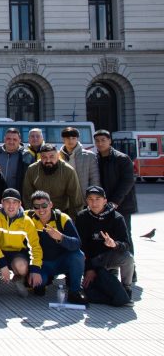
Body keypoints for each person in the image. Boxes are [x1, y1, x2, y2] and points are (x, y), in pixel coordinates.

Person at [76, 185, 135, 307]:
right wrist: (89, 269)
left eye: (97, 199)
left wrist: (114, 244)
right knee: (90, 290)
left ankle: (126, 288)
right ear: (86, 201)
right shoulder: (82, 217)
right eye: (90, 199)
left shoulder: (117, 217)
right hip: (92, 259)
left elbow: (126, 244)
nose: (94, 203)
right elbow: (81, 246)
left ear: (105, 201)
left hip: (110, 256)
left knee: (128, 258)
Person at [26, 190, 88, 304]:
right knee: (37, 287)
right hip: (42, 264)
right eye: (36, 206)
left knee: (78, 256)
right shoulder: (27, 217)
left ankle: (75, 291)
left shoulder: (62, 218)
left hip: (61, 262)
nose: (41, 209)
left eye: (44, 205)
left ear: (51, 204)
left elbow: (77, 243)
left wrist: (61, 237)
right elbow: (12, 211)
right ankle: (46, 280)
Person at [0, 188, 43, 298]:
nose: (11, 206)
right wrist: (3, 265)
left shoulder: (27, 221)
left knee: (22, 267)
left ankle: (18, 280)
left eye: (15, 202)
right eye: (7, 202)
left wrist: (35, 269)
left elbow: (35, 246)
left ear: (20, 204)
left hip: (16, 253)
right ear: (2, 203)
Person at [93, 130, 138, 262]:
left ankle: (130, 267)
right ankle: (110, 267)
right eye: (97, 141)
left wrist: (114, 202)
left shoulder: (122, 158)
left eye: (103, 140)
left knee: (124, 236)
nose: (100, 143)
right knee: (105, 236)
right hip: (102, 206)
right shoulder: (95, 159)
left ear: (110, 141)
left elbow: (128, 181)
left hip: (122, 204)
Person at [22, 144, 83, 219]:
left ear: (58, 156)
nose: (48, 160)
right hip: (39, 212)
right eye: (44, 157)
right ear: (40, 157)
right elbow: (27, 196)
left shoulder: (68, 171)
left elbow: (76, 199)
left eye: (52, 156)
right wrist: (32, 216)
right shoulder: (32, 170)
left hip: (62, 213)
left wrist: (72, 220)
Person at [60, 127, 100, 201]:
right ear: (63, 139)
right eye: (68, 138)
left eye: (73, 138)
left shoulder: (89, 155)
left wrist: (92, 197)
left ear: (77, 139)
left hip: (84, 197)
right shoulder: (57, 156)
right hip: (63, 198)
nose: (70, 140)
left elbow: (95, 179)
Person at [0, 128, 29, 195]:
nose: (11, 142)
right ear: (4, 139)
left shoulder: (26, 156)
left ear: (19, 141)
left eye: (14, 139)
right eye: (8, 139)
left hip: (17, 195)